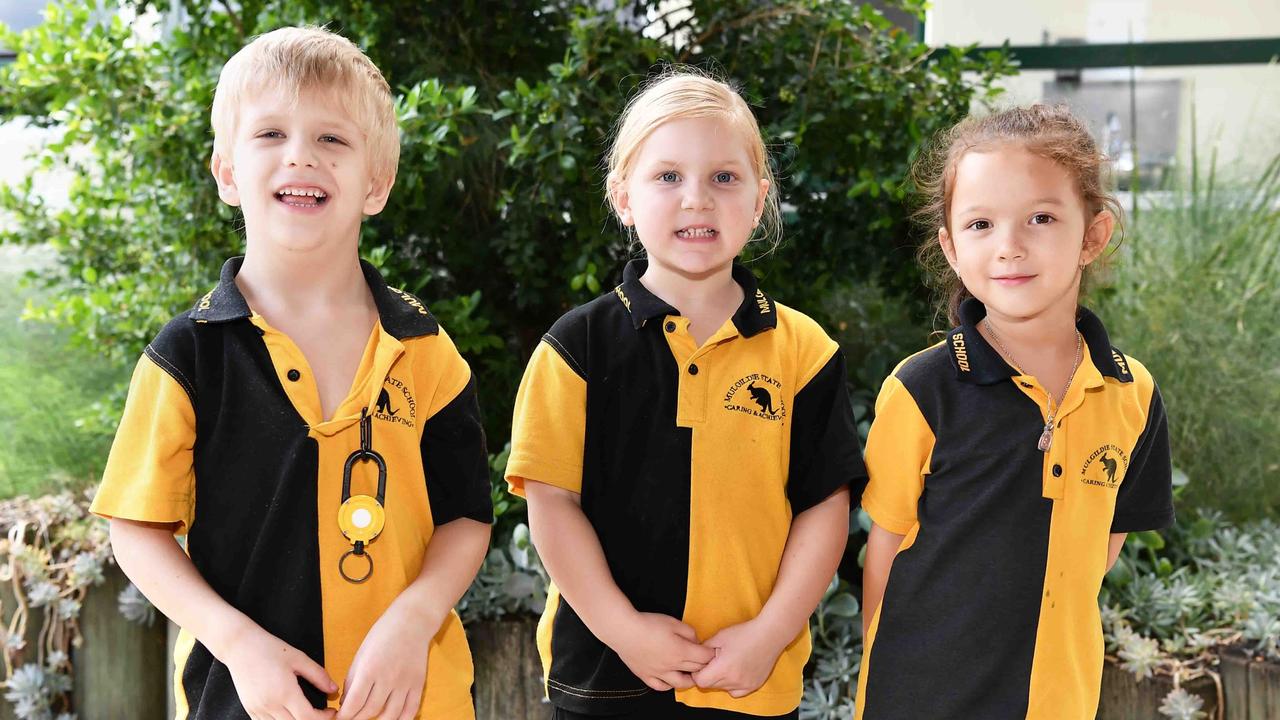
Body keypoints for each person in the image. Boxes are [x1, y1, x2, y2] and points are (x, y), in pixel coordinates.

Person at [90, 26, 492, 720]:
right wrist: (238, 644)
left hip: (416, 698)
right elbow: (135, 527)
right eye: (270, 134)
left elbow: (466, 517)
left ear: (376, 184)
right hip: (246, 703)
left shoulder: (424, 347)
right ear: (226, 174)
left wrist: (413, 621)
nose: (300, 156)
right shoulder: (189, 354)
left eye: (332, 140)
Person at [504, 70, 867, 719]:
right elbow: (551, 506)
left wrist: (769, 635)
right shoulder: (575, 347)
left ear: (758, 200)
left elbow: (825, 509)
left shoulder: (804, 351)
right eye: (667, 177)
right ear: (624, 196)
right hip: (605, 678)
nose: (696, 199)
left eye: (723, 178)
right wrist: (623, 630)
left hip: (748, 683)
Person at [857, 104, 1175, 720]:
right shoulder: (922, 389)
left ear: (1092, 236)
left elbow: (1103, 541)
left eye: (1041, 217)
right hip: (922, 696)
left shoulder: (1131, 393)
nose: (1010, 247)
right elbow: (885, 551)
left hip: (1059, 698)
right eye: (980, 224)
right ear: (949, 247)